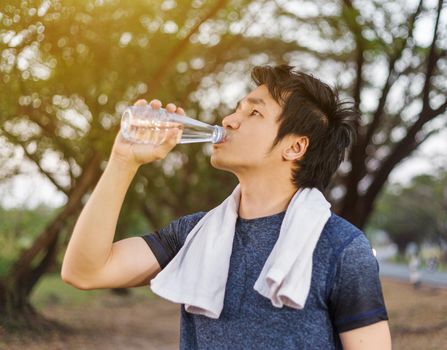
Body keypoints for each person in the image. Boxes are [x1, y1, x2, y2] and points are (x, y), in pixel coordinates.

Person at [61, 65, 392, 349]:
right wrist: (123, 161)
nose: (230, 120)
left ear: (295, 147)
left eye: (254, 112)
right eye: (237, 108)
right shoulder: (193, 234)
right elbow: (85, 271)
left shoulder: (341, 248)